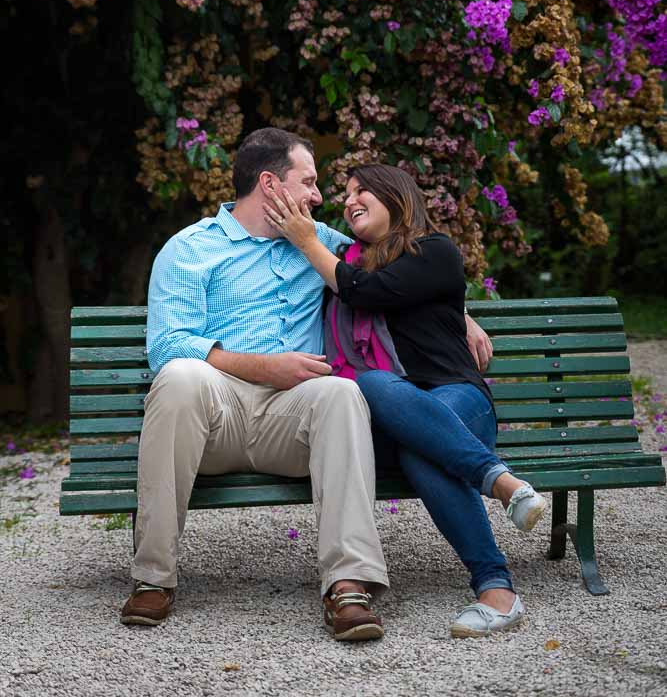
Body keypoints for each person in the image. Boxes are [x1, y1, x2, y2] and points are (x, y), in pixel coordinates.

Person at [120, 128, 492, 640]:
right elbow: (167, 345)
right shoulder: (190, 249)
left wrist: (460, 313)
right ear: (270, 184)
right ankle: (153, 579)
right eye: (310, 182)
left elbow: (400, 267)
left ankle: (348, 585)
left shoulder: (319, 243)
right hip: (212, 416)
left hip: (292, 419)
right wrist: (260, 366)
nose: (320, 198)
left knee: (342, 391)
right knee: (180, 374)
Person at [263, 163, 547, 639]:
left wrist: (307, 240)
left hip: (457, 398)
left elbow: (369, 291)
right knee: (381, 398)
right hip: (388, 420)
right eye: (345, 195)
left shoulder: (433, 250)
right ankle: (499, 486)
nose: (349, 200)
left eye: (362, 191)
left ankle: (497, 590)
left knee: (403, 422)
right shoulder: (346, 260)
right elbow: (354, 283)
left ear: (395, 195)